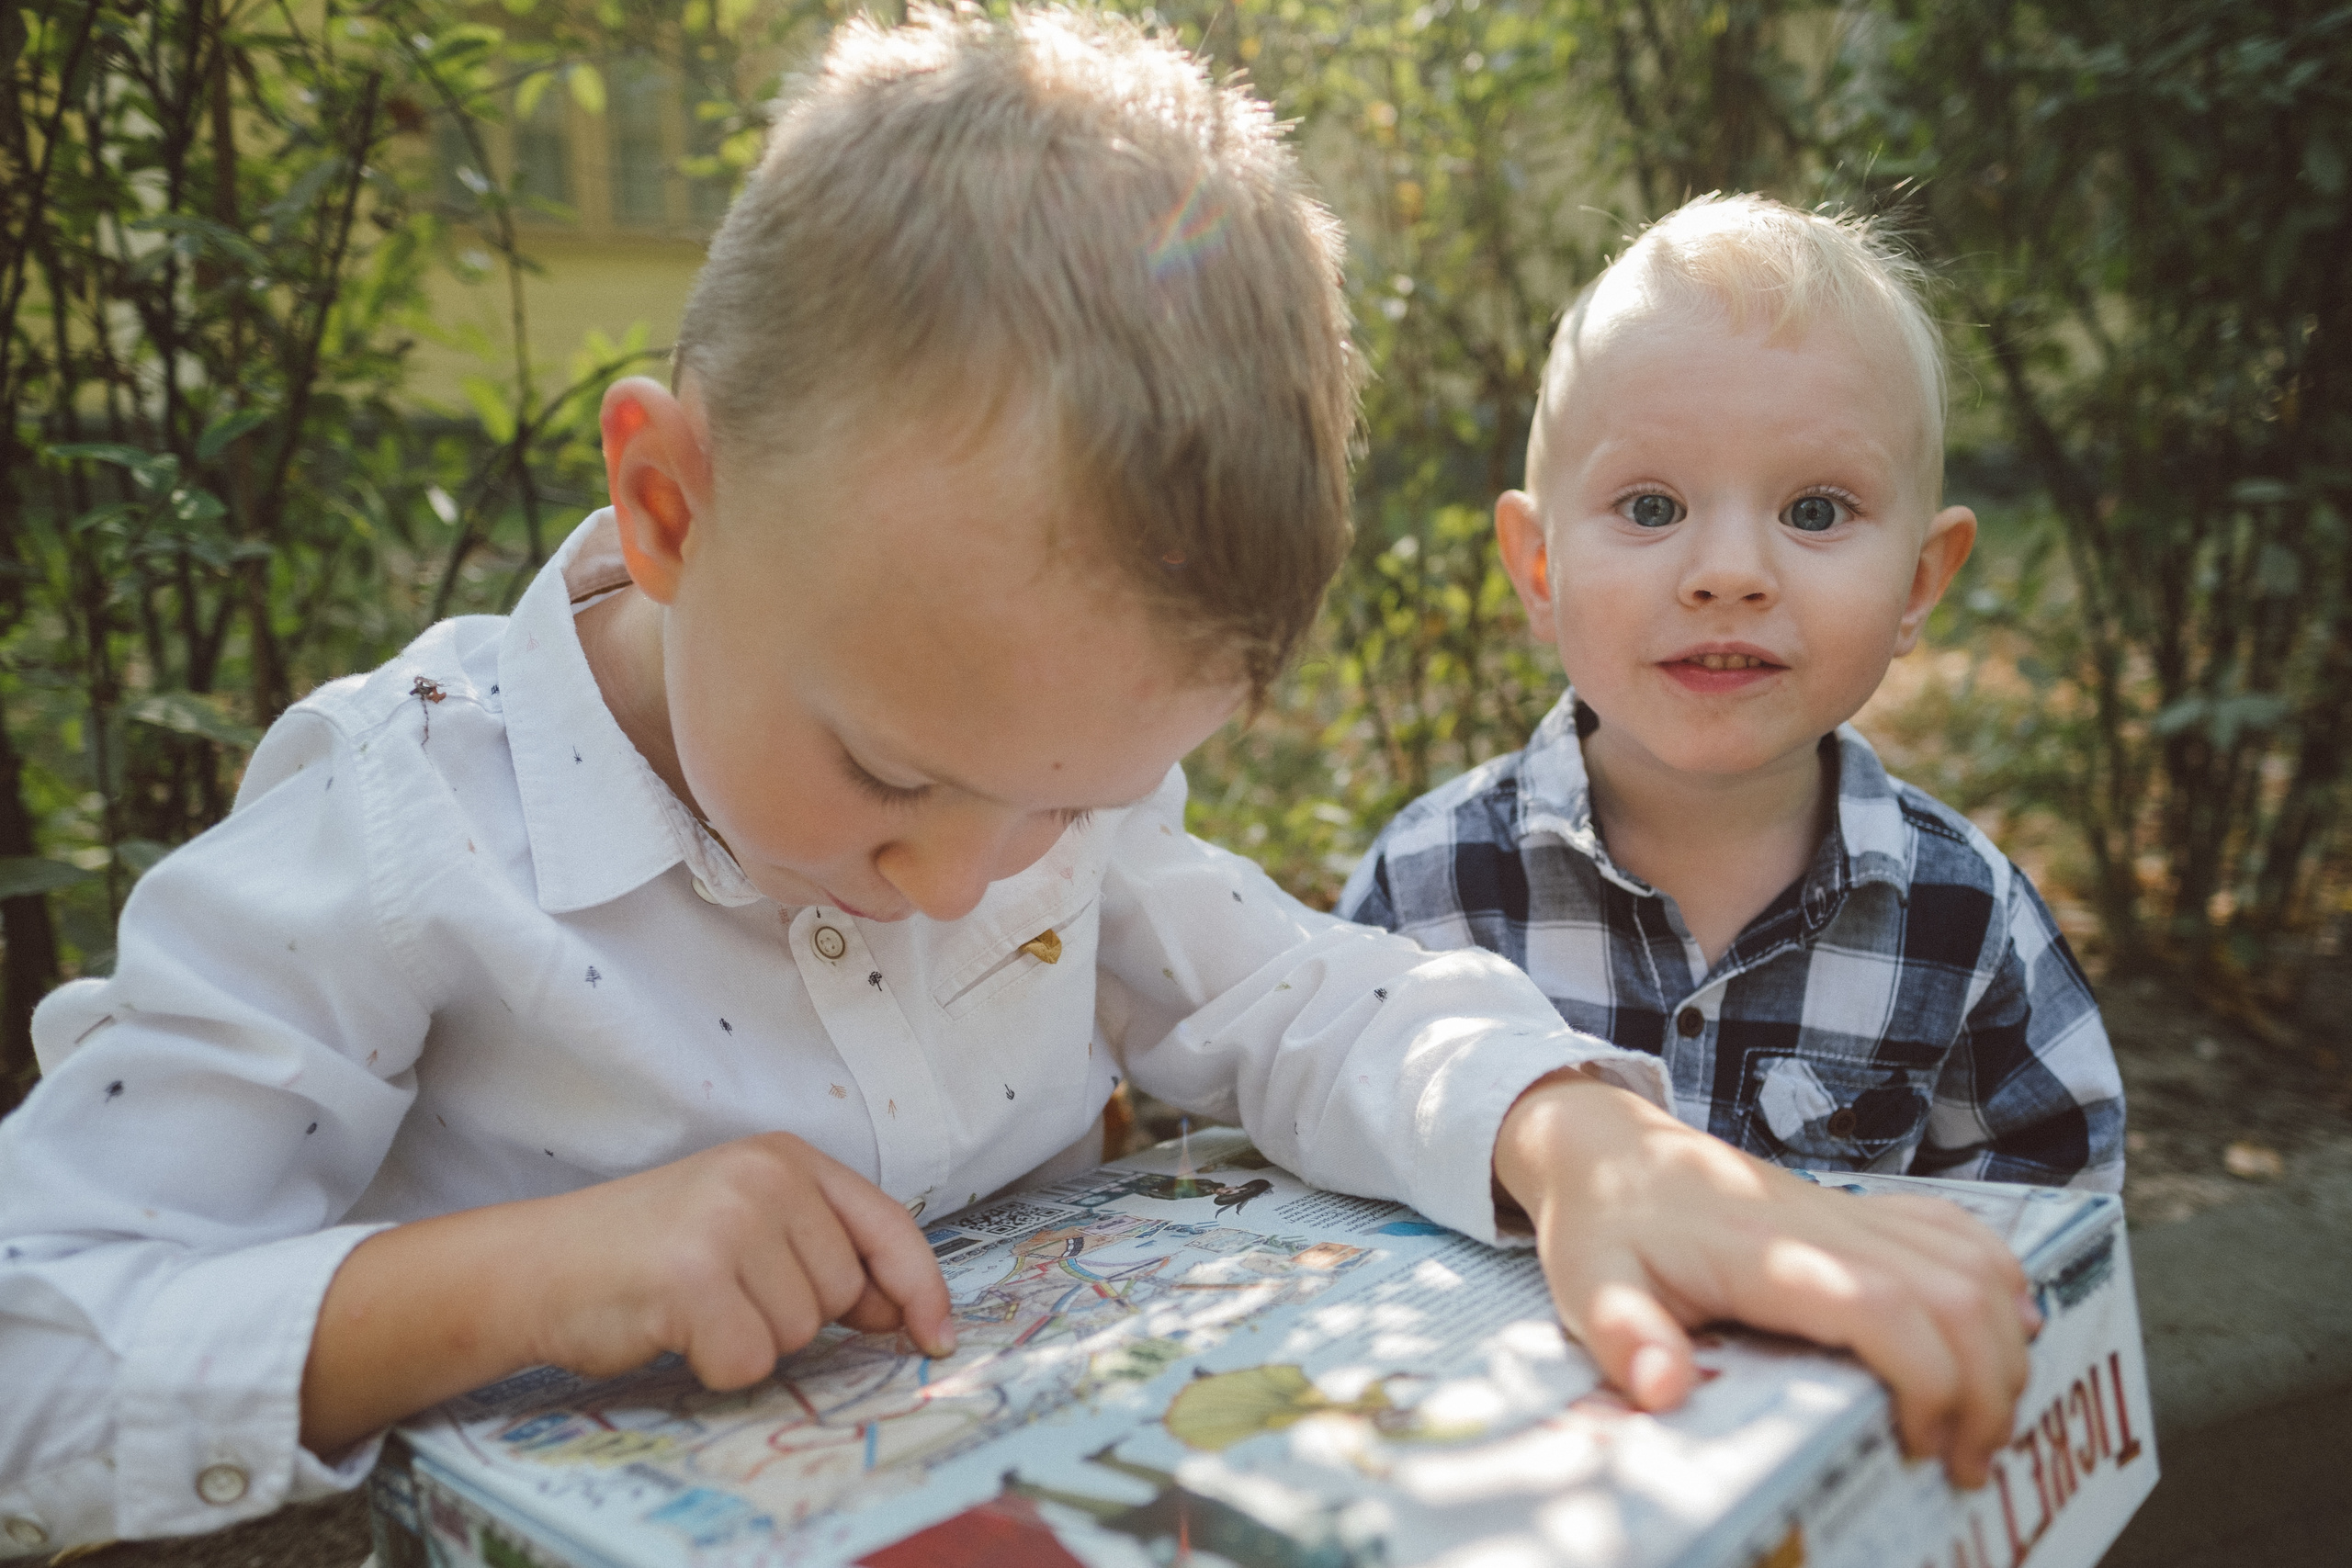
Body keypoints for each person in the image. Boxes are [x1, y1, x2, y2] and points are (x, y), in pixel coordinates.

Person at [0, 28, 2038, 1555]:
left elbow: (1306, 991)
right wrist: (506, 1280)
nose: (960, 877)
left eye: (1083, 799)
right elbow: (34, 1338)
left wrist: (1582, 1146)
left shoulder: (1024, 778)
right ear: (669, 500)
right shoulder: (396, 832)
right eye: (890, 772)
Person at [1341, 195, 2125, 1199]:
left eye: (1813, 510)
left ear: (1917, 586)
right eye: (1652, 506)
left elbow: (2054, 1231)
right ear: (1540, 570)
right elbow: (1321, 1166)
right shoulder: (1427, 891)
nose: (1726, 572)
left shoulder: (1965, 923)